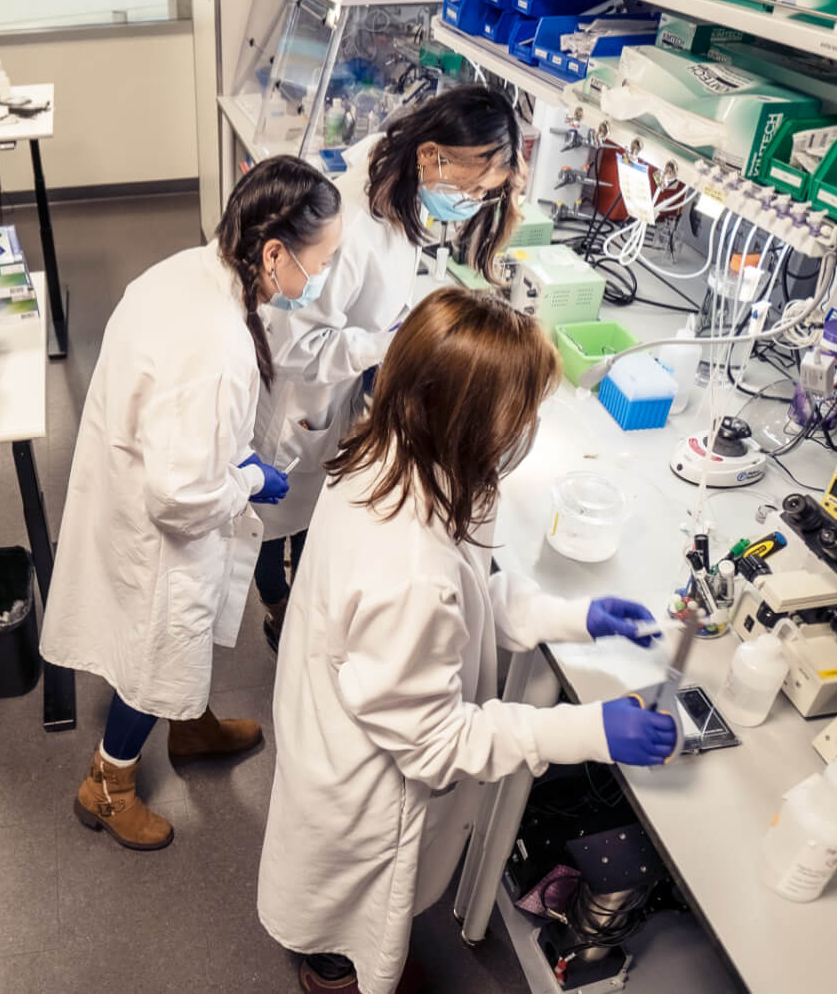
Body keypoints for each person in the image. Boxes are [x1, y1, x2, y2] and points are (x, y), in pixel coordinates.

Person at [257, 288, 678, 994]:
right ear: (469, 418)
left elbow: (474, 592)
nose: (532, 426)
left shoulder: (400, 452)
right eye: (525, 413)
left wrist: (574, 617)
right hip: (371, 775)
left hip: (350, 709)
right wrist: (588, 728)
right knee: (345, 914)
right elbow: (437, 740)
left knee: (346, 886)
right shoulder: (409, 571)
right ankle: (332, 973)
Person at [43, 156, 344, 851]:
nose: (320, 278)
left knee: (178, 645)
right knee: (158, 650)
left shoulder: (188, 269)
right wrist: (252, 480)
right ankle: (107, 783)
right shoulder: (217, 343)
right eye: (318, 262)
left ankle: (191, 722)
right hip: (161, 525)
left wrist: (231, 461)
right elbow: (181, 496)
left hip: (134, 482)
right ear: (274, 252)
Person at [252, 85, 526, 650]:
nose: (472, 200)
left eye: (485, 193)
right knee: (273, 528)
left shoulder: (398, 173)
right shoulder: (350, 224)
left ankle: (303, 608)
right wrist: (385, 345)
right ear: (431, 154)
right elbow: (295, 346)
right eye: (472, 188)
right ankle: (283, 612)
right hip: (300, 403)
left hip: (339, 393)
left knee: (316, 525)